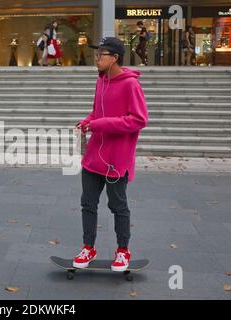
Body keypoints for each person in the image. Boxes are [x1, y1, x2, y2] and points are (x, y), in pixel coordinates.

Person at [74, 37, 148, 272]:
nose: (96, 59)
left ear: (115, 57)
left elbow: (139, 119)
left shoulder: (131, 85)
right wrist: (87, 122)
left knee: (118, 206)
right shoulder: (101, 81)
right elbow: (97, 112)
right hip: (94, 155)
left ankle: (123, 250)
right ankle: (88, 248)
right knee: (88, 203)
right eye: (96, 55)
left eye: (101, 55)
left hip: (117, 158)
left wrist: (102, 123)